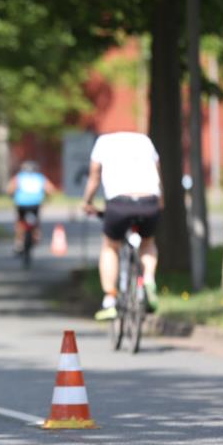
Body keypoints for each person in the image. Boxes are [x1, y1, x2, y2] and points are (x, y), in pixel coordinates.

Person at [80, 131, 164, 320]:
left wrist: (87, 202)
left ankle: (110, 299)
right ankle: (149, 279)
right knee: (148, 242)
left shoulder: (102, 142)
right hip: (149, 201)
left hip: (119, 204)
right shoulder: (145, 141)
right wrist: (160, 202)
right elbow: (158, 173)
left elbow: (94, 176)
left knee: (110, 246)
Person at [5, 160, 57, 253]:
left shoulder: (19, 177)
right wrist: (47, 199)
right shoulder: (40, 177)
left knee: (20, 223)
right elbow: (50, 190)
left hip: (21, 204)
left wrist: (12, 197)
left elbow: (10, 189)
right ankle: (36, 236)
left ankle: (19, 242)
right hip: (35, 204)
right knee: (36, 222)